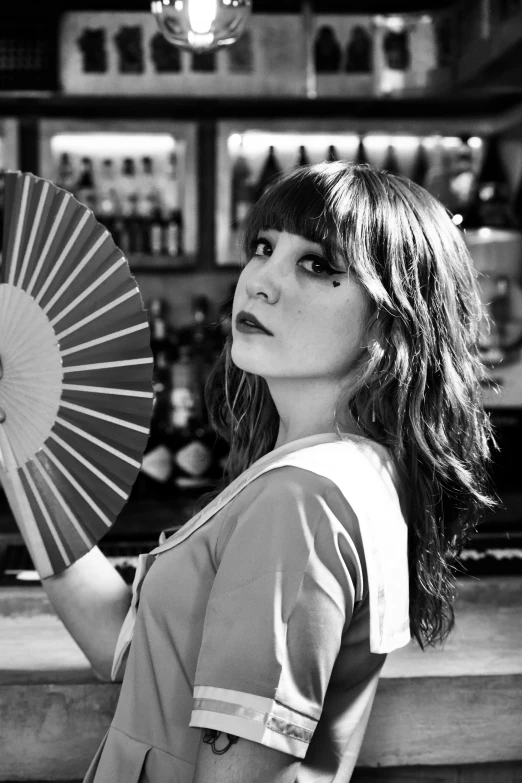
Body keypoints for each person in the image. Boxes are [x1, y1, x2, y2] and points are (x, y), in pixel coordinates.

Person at [0, 161, 500, 783]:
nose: (260, 281)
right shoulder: (348, 469)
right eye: (262, 248)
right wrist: (21, 453)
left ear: (394, 318)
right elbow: (141, 658)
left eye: (318, 265)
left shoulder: (301, 499)